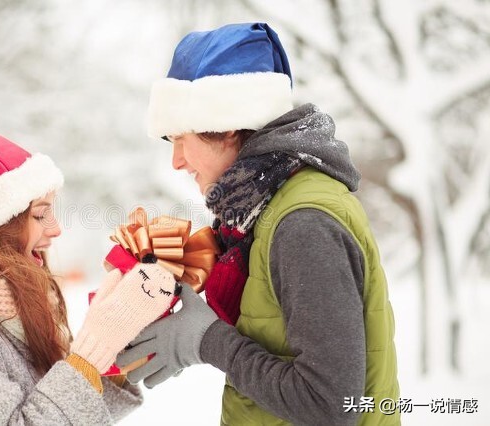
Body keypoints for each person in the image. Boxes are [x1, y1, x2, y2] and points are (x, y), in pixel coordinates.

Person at [116, 23, 400, 425]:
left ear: (228, 123)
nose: (176, 161)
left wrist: (207, 340)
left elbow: (330, 405)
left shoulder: (304, 225)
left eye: (182, 137)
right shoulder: (263, 213)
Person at [0, 128, 178, 424]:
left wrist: (115, 351)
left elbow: (52, 409)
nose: (55, 228)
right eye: (39, 214)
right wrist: (87, 357)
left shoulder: (6, 302)